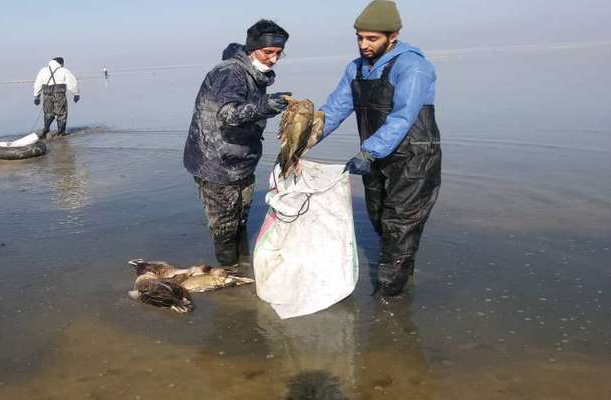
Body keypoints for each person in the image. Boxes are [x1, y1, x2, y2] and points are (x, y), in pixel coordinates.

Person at [319, 0, 442, 296]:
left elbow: (403, 116)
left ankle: (389, 304)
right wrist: (303, 140)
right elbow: (335, 109)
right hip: (375, 156)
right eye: (359, 37)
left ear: (393, 35)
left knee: (398, 226)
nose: (364, 44)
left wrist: (368, 151)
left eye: (372, 38)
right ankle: (402, 280)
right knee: (379, 221)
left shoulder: (414, 66)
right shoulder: (357, 69)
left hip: (414, 158)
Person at [183, 20, 292, 268]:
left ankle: (241, 269)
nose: (274, 59)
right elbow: (227, 114)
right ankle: (228, 279)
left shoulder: (256, 74)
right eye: (268, 52)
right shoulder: (229, 72)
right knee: (224, 226)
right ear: (253, 48)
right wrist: (267, 106)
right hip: (215, 163)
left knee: (240, 219)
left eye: (278, 54)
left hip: (241, 161)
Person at [33, 57, 80, 137]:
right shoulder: (64, 70)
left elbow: (37, 84)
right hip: (59, 95)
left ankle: (46, 131)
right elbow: (72, 84)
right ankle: (61, 134)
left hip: (46, 95)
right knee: (61, 114)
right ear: (61, 63)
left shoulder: (43, 71)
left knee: (48, 113)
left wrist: (37, 96)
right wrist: (76, 94)